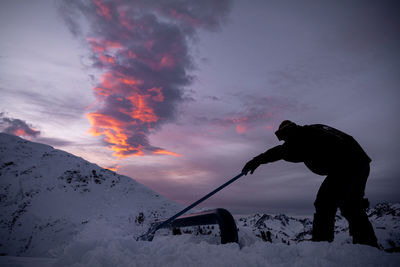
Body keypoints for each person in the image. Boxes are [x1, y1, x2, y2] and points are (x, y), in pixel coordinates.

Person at [242, 120, 379, 248]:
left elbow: (279, 152)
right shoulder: (311, 131)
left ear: (289, 131)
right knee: (352, 206)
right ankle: (367, 245)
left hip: (347, 165)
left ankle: (321, 245)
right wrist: (258, 161)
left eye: (283, 137)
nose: (284, 141)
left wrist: (256, 161)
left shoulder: (302, 138)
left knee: (324, 203)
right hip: (360, 163)